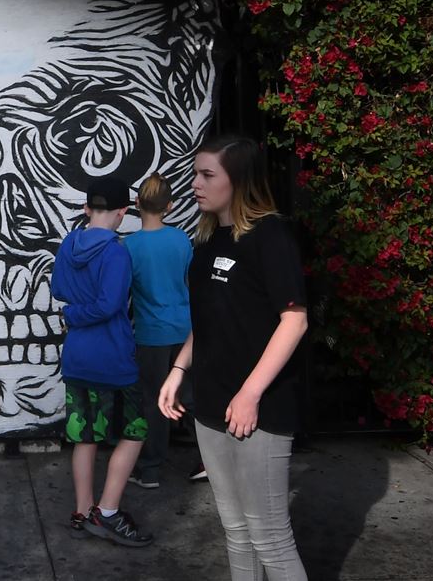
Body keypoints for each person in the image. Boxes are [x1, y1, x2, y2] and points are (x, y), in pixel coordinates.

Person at [159, 135, 309, 580]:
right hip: (210, 405)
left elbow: (294, 321)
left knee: (269, 536)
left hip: (258, 410)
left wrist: (250, 393)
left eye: (208, 175)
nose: (195, 184)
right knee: (236, 529)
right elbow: (207, 322)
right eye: (195, 174)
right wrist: (178, 369)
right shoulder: (206, 241)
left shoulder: (270, 236)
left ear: (238, 180)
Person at [50, 175, 153, 548]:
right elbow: (111, 304)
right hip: (112, 358)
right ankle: (106, 511)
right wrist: (80, 313)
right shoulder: (115, 251)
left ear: (86, 208)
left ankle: (82, 510)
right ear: (123, 212)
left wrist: (73, 312)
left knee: (84, 436)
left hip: (77, 356)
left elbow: (59, 289)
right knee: (136, 430)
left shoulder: (69, 243)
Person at [123, 173, 194, 490]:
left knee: (153, 401)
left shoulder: (130, 246)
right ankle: (211, 462)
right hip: (185, 331)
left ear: (137, 204)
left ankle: (150, 469)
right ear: (170, 205)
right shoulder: (181, 239)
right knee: (189, 397)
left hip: (150, 335)